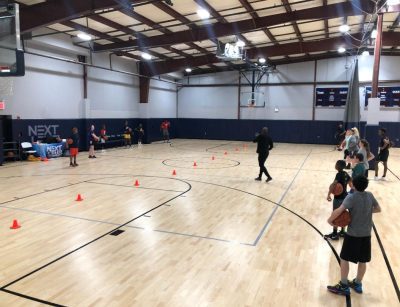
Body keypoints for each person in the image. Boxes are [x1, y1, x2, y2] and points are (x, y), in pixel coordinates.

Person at [327, 175, 381, 296]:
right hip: (366, 234)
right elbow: (378, 209)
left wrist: (330, 221)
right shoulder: (370, 195)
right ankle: (358, 283)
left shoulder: (351, 197)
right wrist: (365, 211)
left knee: (344, 258)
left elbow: (339, 210)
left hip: (353, 234)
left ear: (354, 185)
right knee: (363, 261)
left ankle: (344, 285)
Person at [325, 160, 350, 240]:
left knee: (335, 215)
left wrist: (329, 194)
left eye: (336, 164)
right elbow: (351, 181)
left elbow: (334, 185)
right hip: (345, 197)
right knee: (343, 214)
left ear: (338, 166)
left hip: (338, 198)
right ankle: (342, 232)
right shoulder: (346, 173)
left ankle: (335, 234)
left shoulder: (338, 175)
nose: (335, 165)